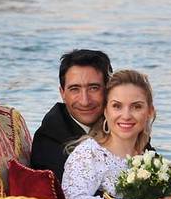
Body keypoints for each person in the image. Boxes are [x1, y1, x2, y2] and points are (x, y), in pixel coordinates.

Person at [61, 69, 171, 199]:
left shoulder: (148, 157)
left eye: (136, 107)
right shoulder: (89, 153)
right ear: (105, 111)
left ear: (149, 112)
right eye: (117, 106)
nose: (126, 115)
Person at [30, 49, 113, 182]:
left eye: (93, 88)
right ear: (62, 93)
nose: (85, 101)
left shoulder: (122, 124)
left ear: (109, 90)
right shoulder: (48, 141)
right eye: (75, 89)